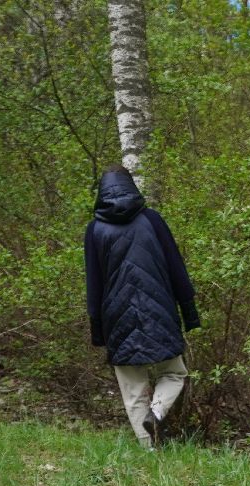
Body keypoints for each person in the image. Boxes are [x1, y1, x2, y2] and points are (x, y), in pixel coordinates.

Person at [84, 166, 200, 449]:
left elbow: (94, 284)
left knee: (133, 389)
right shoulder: (152, 219)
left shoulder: (95, 229)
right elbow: (176, 268)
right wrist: (189, 312)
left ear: (101, 193)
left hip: (116, 317)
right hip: (158, 309)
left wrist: (97, 329)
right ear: (131, 187)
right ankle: (156, 413)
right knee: (174, 373)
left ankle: (149, 450)